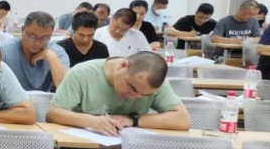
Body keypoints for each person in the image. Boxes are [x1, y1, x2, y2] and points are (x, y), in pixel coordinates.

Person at [46, 52, 190, 136]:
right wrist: (91, 121)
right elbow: (53, 114)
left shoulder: (153, 83)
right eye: (131, 87)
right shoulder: (82, 74)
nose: (134, 96)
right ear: (122, 66)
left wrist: (132, 120)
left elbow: (183, 120)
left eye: (144, 95)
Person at [0, 11, 70, 92]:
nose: (37, 43)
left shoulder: (57, 52)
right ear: (23, 30)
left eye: (44, 38)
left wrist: (50, 56)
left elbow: (65, 88)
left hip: (43, 99)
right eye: (33, 37)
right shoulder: (4, 51)